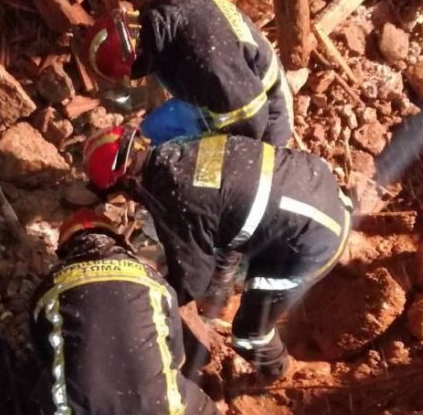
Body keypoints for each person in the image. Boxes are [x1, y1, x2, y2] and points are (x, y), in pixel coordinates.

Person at [82, 127, 352, 377]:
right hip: (319, 188)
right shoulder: (181, 149)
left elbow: (191, 283)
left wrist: (147, 300)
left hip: (313, 242)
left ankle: (280, 373)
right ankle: (223, 298)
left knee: (248, 336)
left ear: (126, 181)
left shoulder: (174, 198)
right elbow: (224, 211)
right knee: (232, 224)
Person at [30, 208, 218, 414]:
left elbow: (46, 357)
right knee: (203, 408)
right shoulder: (155, 282)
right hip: (160, 405)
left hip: (79, 410)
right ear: (118, 242)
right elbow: (177, 357)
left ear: (65, 249)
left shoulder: (48, 290)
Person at [83, 0, 295, 147]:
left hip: (267, 116)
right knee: (152, 132)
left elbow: (250, 127)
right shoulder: (158, 15)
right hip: (228, 95)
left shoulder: (209, 65)